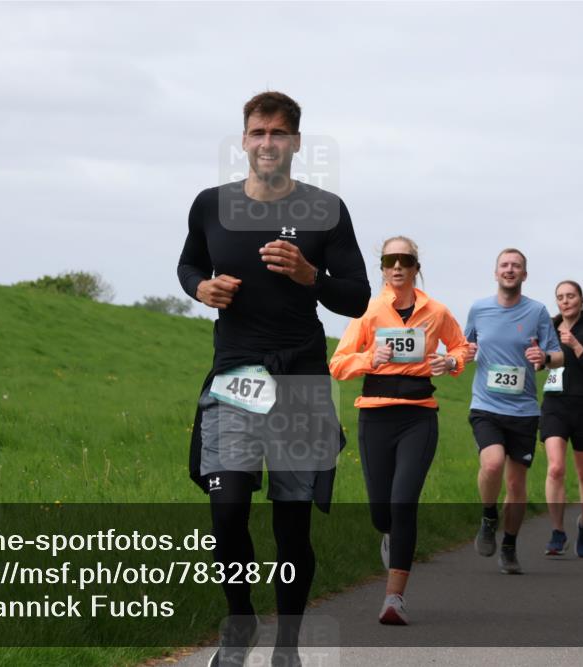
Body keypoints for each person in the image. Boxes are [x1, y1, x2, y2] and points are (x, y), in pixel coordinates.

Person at [177, 91, 370, 667]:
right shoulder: (210, 204)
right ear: (243, 140)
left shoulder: (327, 209)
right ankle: (240, 624)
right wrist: (199, 289)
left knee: (292, 528)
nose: (267, 143)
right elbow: (189, 263)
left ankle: (287, 645)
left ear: (296, 143)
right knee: (228, 509)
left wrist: (312, 274)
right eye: (258, 132)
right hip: (234, 376)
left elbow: (358, 297)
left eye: (279, 133)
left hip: (301, 382)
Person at [329, 236, 470, 624]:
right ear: (382, 267)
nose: (397, 266)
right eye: (390, 259)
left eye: (404, 260)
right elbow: (337, 364)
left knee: (403, 502)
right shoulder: (368, 312)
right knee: (382, 511)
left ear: (415, 266)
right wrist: (368, 357)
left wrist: (450, 364)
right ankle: (389, 534)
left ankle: (394, 599)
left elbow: (461, 349)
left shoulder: (437, 311)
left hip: (418, 415)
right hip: (375, 415)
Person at [464, 248, 563, 575]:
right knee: (491, 464)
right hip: (486, 405)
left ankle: (508, 545)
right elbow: (464, 347)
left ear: (524, 274)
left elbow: (557, 355)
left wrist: (544, 359)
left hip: (523, 410)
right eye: (504, 265)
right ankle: (488, 515)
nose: (510, 270)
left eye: (516, 266)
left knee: (517, 486)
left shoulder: (537, 311)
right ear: (496, 273)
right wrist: (466, 352)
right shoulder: (479, 309)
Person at [540, 281, 583, 558]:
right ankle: (557, 531)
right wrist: (537, 358)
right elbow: (541, 359)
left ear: (581, 299)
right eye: (560, 297)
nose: (565, 301)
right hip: (555, 405)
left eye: (570, 296)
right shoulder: (549, 328)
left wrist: (576, 345)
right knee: (555, 468)